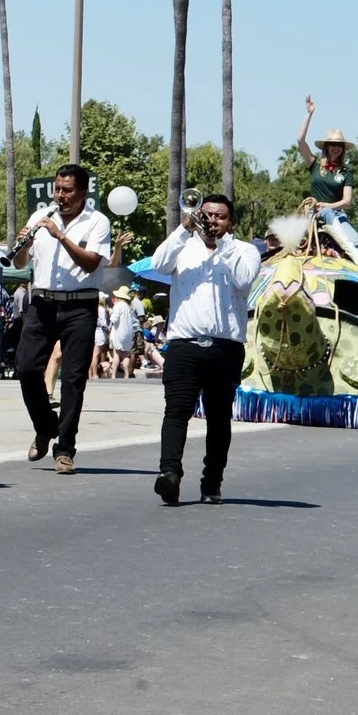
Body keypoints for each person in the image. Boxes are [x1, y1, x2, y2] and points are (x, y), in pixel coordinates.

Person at [150, 194, 262, 505]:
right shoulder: (184, 246)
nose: (212, 221)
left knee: (218, 417)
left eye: (220, 217)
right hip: (184, 345)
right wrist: (184, 228)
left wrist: (222, 245)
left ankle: (212, 481)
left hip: (225, 348)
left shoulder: (245, 251)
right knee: (176, 412)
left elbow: (242, 279)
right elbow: (158, 264)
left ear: (231, 222)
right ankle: (169, 474)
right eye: (207, 215)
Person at [13, 164, 112, 473]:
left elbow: (91, 264)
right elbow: (18, 262)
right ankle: (45, 426)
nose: (60, 196)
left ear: (82, 192)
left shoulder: (97, 222)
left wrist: (61, 237)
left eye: (67, 190)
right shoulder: (39, 217)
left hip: (80, 305)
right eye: (57, 189)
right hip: (42, 302)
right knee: (26, 369)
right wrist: (23, 244)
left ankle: (65, 449)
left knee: (72, 379)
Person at [295, 97, 354, 213]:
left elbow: (347, 201)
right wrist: (310, 114)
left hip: (336, 214)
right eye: (332, 144)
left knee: (351, 232)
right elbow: (300, 140)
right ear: (326, 147)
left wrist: (327, 206)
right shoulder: (315, 165)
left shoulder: (346, 173)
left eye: (339, 145)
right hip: (313, 213)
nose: (336, 148)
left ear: (343, 148)